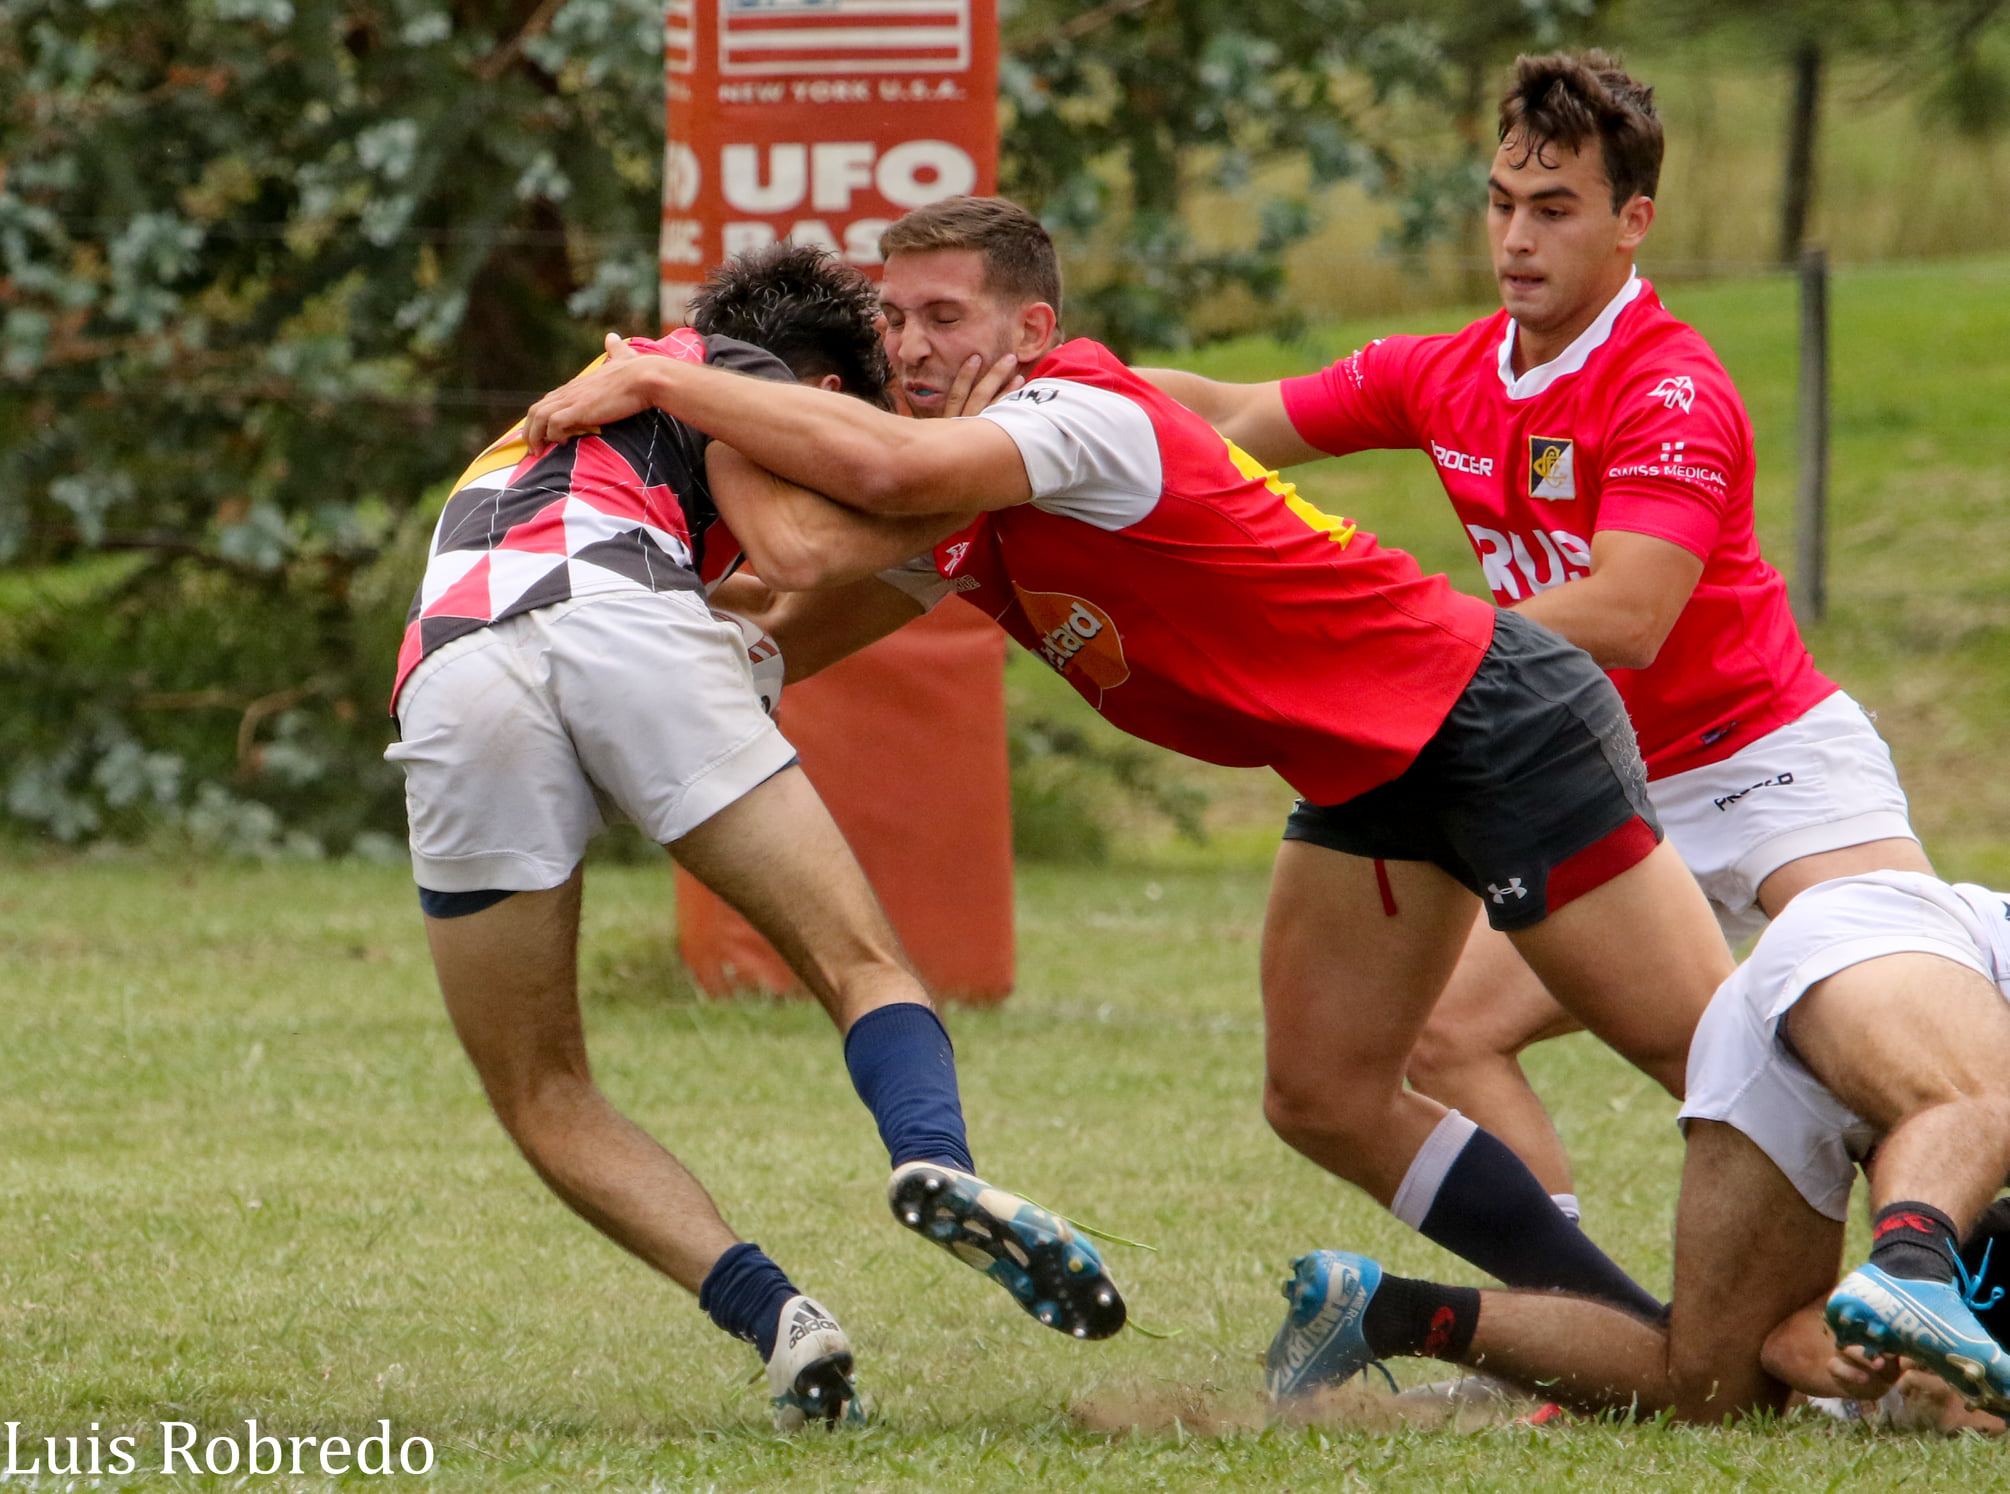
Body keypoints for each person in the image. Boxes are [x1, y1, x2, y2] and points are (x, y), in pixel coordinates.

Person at [522, 195, 1735, 1327]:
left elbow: (874, 478)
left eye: (947, 317)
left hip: (1487, 714)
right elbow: (787, 610)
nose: (910, 347)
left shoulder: (1074, 414)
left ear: (1030, 328)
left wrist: (666, 374)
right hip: (1364, 772)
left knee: (1707, 1057)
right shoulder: (960, 502)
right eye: (893, 318)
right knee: (1324, 1093)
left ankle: (1915, 1249)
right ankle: (1614, 1338)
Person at [1136, 51, 1931, 1228]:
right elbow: (1238, 415)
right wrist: (1054, 396)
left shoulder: (1669, 388)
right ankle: (1581, 1322)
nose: (1516, 238)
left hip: (1770, 764)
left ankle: (1939, 1309)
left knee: (1898, 1050)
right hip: (1614, 792)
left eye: (1555, 209)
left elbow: (1630, 615)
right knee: (1450, 1034)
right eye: (1504, 205)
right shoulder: (1447, 372)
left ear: (1632, 223)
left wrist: (1415, 643)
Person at [384, 245, 1125, 1432]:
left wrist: (910, 550)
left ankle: (777, 1319)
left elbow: (771, 613)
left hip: (451, 669)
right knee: (862, 964)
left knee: (540, 1087)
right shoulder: (729, 382)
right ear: (824, 396)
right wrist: (979, 477)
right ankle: (935, 1156)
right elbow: (797, 554)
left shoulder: (601, 418)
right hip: (624, 626)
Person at [1262, 868, 2010, 1422]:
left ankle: (1392, 1311)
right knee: (1985, 1101)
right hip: (1888, 939)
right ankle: (1912, 1266)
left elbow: (1783, 1342)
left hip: (1780, 1020)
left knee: (1710, 1396)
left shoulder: (1942, 1348)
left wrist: (1861, 1364)